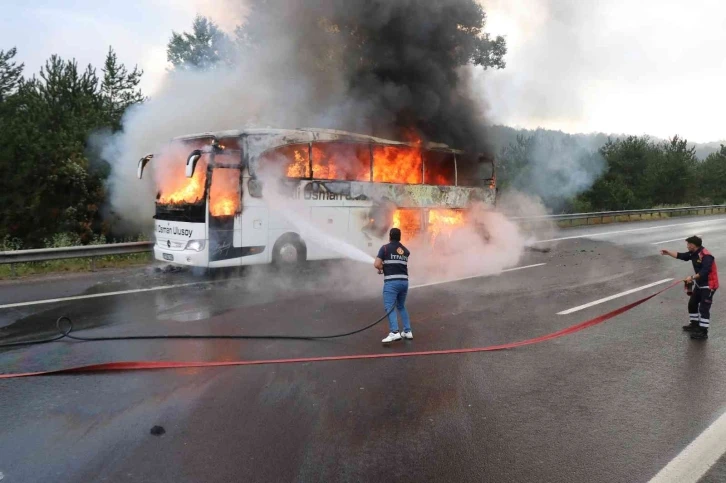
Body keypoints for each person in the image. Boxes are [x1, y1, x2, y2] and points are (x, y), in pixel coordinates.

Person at [660, 235, 719, 340]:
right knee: (692, 303)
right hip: (699, 284)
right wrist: (668, 253)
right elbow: (681, 256)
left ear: (692, 245)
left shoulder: (706, 256)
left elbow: (705, 272)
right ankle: (694, 324)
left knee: (704, 308)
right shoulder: (694, 253)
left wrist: (691, 277)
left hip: (709, 285)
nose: (687, 246)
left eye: (688, 244)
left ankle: (703, 332)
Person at [374, 228, 413, 344]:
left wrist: (381, 268)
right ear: (400, 237)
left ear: (390, 236)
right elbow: (396, 264)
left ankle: (394, 332)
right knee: (401, 306)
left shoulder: (385, 248)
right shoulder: (405, 250)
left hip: (391, 283)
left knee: (389, 307)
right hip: (404, 282)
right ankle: (407, 331)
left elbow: (377, 264)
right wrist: (385, 267)